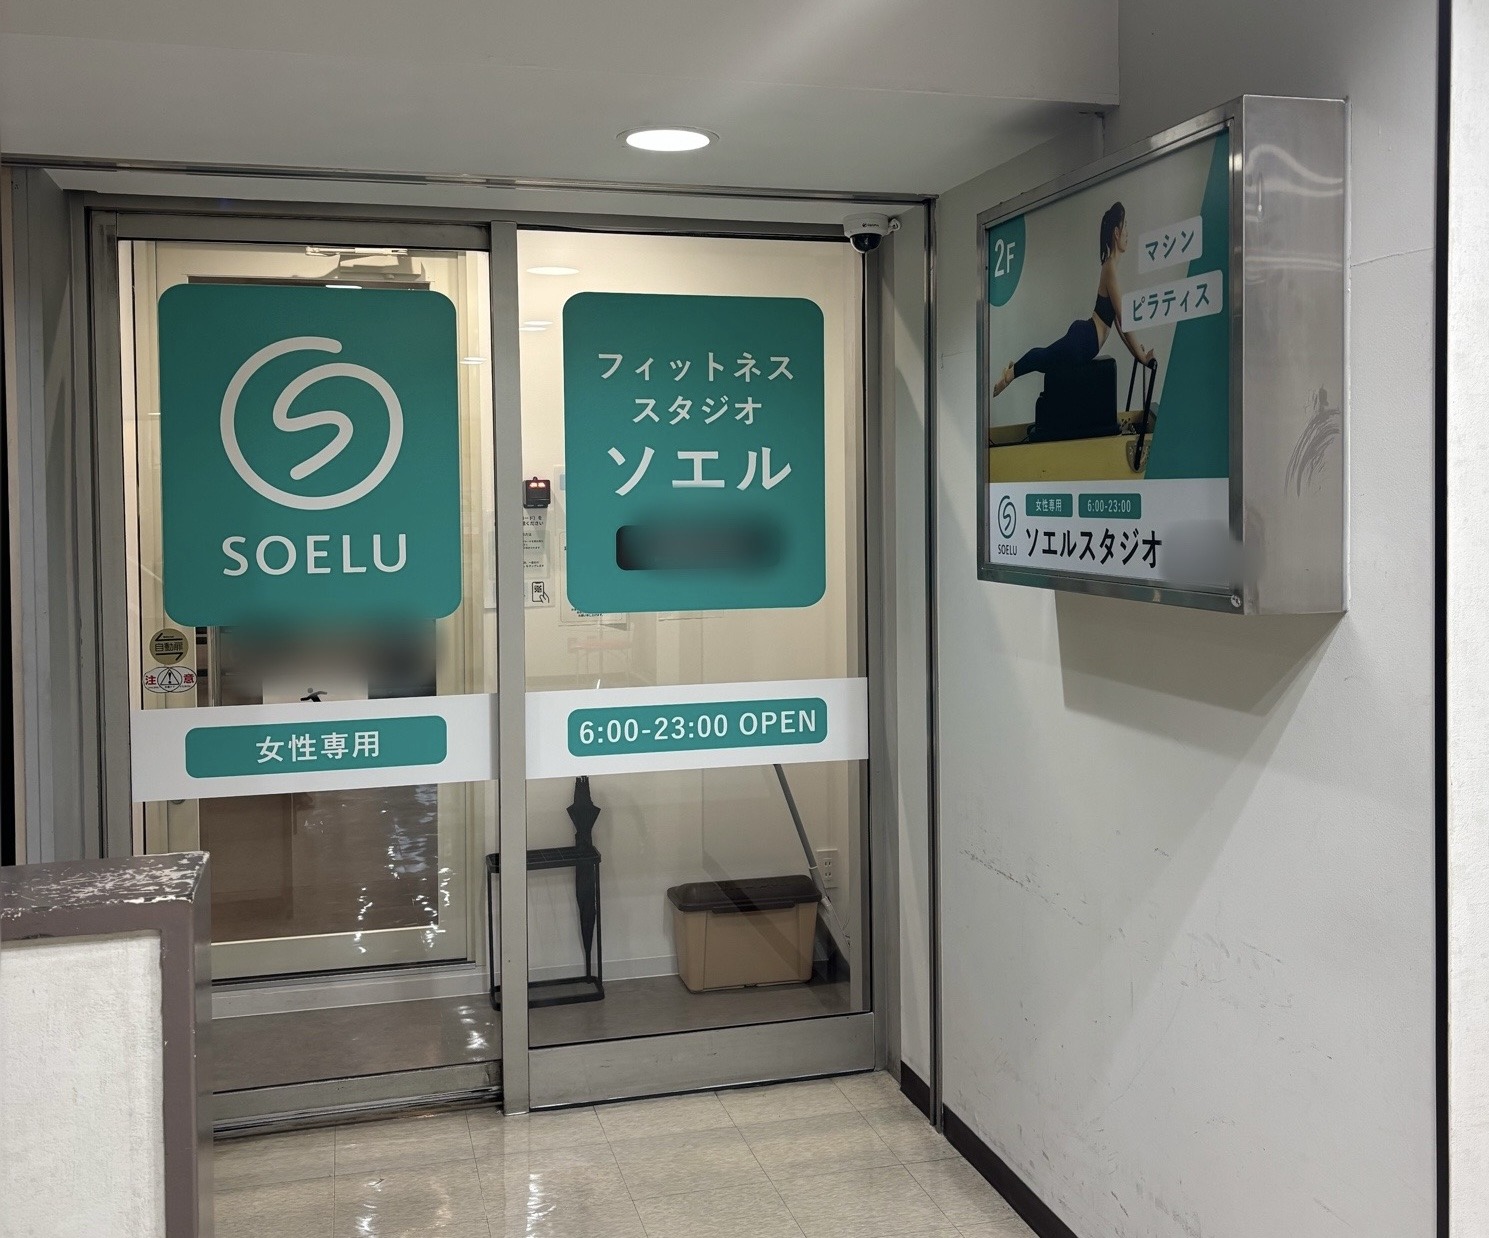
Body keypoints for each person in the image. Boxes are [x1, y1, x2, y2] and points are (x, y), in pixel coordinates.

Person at [993, 201, 1155, 398]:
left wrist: (1137, 354)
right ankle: (1009, 375)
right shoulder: (1110, 267)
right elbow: (1124, 320)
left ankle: (1014, 369)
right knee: (1045, 359)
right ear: (1116, 232)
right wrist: (1142, 356)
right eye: (1125, 226)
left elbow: (1120, 325)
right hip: (1084, 339)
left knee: (1046, 359)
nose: (1128, 233)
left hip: (1086, 337)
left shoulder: (1110, 267)